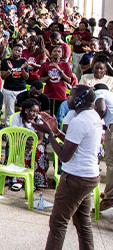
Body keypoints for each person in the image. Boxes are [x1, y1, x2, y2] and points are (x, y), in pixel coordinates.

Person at [33, 86, 102, 250]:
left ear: (79, 101)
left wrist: (49, 134)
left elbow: (64, 156)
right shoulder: (93, 116)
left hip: (75, 178)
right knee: (82, 222)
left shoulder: (79, 121)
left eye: (71, 96)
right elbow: (74, 143)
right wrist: (56, 131)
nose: (67, 98)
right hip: (89, 176)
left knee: (58, 222)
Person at [9, 98, 49, 190]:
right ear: (26, 110)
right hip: (19, 139)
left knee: (39, 150)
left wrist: (34, 145)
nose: (35, 114)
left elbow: (40, 138)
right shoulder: (17, 118)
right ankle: (18, 179)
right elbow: (14, 133)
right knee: (19, 148)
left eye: (37, 112)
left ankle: (35, 181)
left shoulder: (39, 120)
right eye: (32, 111)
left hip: (35, 141)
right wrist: (25, 142)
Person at [38, 46, 73, 116]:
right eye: (54, 51)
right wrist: (48, 77)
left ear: (62, 54)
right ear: (51, 53)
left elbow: (69, 80)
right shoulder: (45, 65)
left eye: (59, 51)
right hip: (48, 94)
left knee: (59, 116)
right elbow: (40, 79)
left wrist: (59, 69)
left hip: (61, 94)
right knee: (47, 115)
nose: (56, 53)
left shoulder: (65, 65)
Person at [0, 43, 29, 124]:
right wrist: (9, 70)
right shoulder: (6, 61)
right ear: (12, 50)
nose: (17, 52)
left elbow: (26, 77)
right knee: (9, 112)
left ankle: (20, 126)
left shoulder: (24, 62)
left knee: (22, 111)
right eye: (15, 50)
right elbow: (3, 76)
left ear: (21, 52)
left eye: (19, 51)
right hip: (9, 90)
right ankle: (8, 128)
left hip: (21, 89)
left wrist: (22, 69)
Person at [96, 86, 113, 212]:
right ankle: (109, 191)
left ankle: (110, 198)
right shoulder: (111, 95)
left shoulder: (99, 92)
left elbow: (101, 109)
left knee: (111, 164)